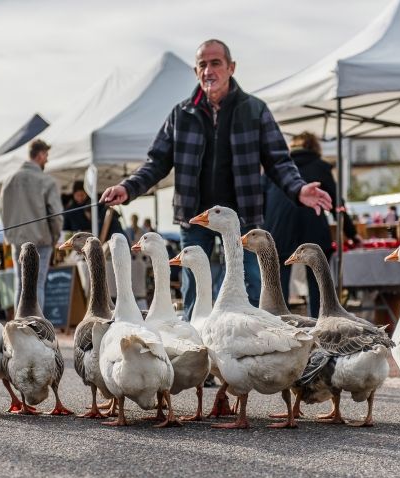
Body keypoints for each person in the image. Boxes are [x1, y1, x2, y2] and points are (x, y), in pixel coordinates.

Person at [100, 39, 332, 320]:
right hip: (195, 216)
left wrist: (299, 189)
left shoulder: (254, 109)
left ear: (231, 67)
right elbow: (156, 162)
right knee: (193, 288)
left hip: (242, 217)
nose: (209, 70)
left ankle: (249, 348)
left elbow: (278, 160)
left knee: (250, 285)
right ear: (196, 71)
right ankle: (194, 352)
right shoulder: (181, 114)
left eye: (215, 63)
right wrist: (128, 187)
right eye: (202, 64)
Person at [263, 131, 361, 317]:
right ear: (314, 147)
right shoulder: (319, 167)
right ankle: (319, 324)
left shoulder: (276, 167)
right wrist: (352, 232)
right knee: (318, 283)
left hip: (278, 229)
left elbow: (261, 199)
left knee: (277, 285)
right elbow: (336, 204)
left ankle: (277, 325)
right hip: (313, 228)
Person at [0, 139, 63, 310]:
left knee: (20, 284)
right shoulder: (46, 181)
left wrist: (10, 237)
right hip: (41, 241)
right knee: (37, 285)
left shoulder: (9, 180)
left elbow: (2, 211)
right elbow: (56, 216)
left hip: (16, 241)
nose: (47, 160)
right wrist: (55, 238)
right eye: (47, 156)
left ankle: (20, 328)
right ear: (41, 155)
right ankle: (36, 329)